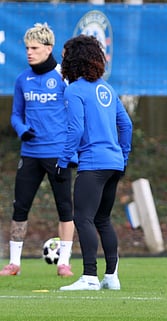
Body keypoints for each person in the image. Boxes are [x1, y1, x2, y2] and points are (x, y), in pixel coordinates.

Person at [56, 34, 133, 291]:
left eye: (65, 55)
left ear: (74, 60)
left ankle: (89, 277)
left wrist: (64, 159)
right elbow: (126, 124)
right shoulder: (107, 88)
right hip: (113, 164)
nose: (62, 59)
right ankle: (112, 277)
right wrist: (123, 156)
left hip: (93, 163)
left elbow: (75, 129)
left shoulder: (74, 89)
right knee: (103, 219)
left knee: (83, 218)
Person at [0, 23, 75, 277]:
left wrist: (72, 149)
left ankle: (64, 262)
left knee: (65, 208)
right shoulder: (23, 79)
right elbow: (15, 115)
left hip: (57, 154)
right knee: (20, 207)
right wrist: (22, 130)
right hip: (30, 154)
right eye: (26, 48)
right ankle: (14, 263)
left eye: (34, 48)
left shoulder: (63, 77)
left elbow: (76, 115)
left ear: (48, 48)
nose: (29, 53)